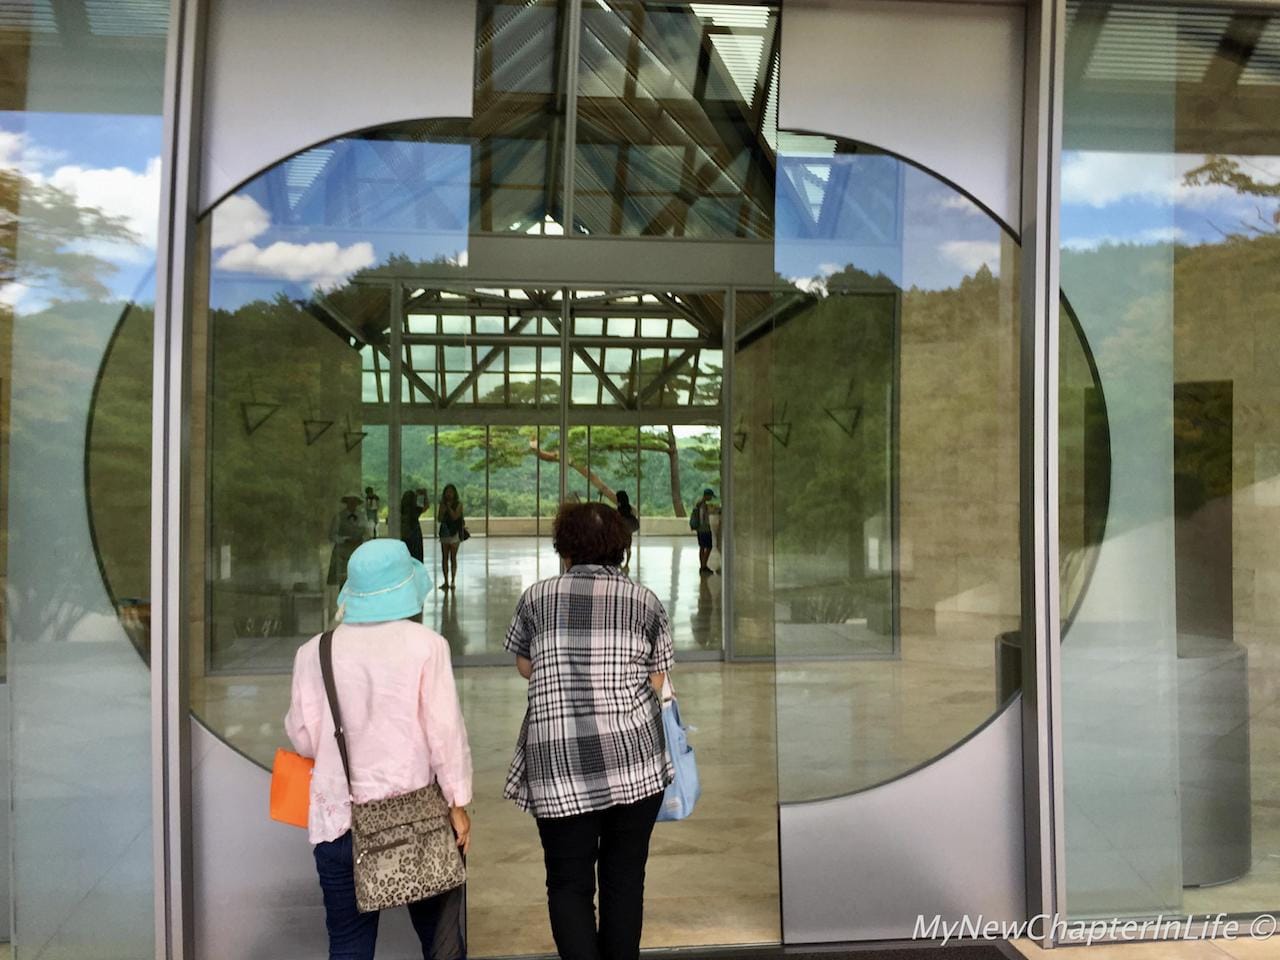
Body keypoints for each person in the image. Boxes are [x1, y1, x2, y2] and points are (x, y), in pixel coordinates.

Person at [286, 538, 473, 960]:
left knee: (349, 944)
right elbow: (445, 733)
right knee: (441, 943)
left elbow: (301, 735)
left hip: (340, 821)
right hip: (418, 820)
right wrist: (457, 803)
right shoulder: (427, 646)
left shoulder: (314, 650)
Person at [503, 502, 674, 960]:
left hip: (558, 760)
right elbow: (659, 679)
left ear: (565, 548)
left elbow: (525, 664)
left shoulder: (537, 597)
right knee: (624, 881)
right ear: (621, 546)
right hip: (634, 762)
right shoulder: (645, 600)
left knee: (568, 883)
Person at [327, 495, 366, 589]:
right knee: (343, 580)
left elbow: (366, 532)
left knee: (358, 579)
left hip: (357, 551)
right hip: (343, 552)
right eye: (350, 502)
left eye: (354, 502)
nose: (352, 504)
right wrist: (344, 539)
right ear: (346, 503)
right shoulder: (339, 516)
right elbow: (332, 535)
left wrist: (362, 539)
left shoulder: (362, 516)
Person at [437, 484, 465, 591]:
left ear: (454, 493)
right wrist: (443, 508)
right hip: (444, 533)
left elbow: (455, 517)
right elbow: (439, 518)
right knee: (444, 557)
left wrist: (448, 507)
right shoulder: (442, 504)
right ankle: (445, 581)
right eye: (447, 492)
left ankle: (453, 580)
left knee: (453, 557)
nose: (448, 494)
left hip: (454, 533)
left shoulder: (459, 504)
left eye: (451, 492)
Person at [690, 488, 718, 575]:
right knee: (708, 547)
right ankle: (703, 566)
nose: (711, 498)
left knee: (702, 547)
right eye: (710, 496)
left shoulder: (698, 503)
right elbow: (702, 518)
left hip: (699, 529)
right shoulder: (702, 505)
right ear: (707, 496)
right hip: (704, 529)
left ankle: (702, 565)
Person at [615, 490, 639, 569]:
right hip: (628, 533)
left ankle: (619, 564)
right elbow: (635, 515)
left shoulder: (618, 510)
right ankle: (627, 564)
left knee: (619, 548)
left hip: (619, 533)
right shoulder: (630, 509)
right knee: (628, 548)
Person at [400, 488, 425, 562]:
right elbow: (423, 505)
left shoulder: (400, 511)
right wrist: (422, 495)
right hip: (415, 535)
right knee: (417, 557)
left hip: (405, 536)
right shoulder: (415, 511)